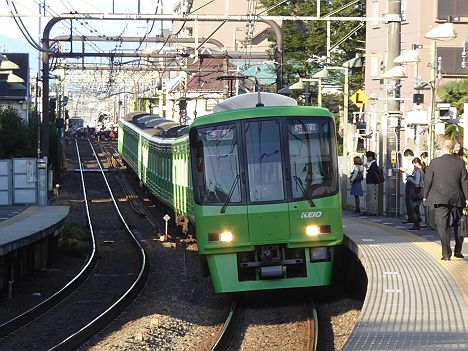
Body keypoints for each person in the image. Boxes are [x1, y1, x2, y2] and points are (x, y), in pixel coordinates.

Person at [423, 137, 468, 261]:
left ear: (442, 148)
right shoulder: (460, 163)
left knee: (442, 226)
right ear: (453, 149)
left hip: (439, 198)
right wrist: (467, 198)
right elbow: (464, 182)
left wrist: (425, 195)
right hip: (456, 198)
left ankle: (446, 253)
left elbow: (428, 180)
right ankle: (458, 250)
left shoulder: (434, 162)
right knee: (458, 224)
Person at [406, 157, 425, 230]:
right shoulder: (422, 171)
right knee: (416, 208)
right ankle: (417, 223)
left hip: (416, 191)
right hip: (420, 191)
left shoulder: (417, 172)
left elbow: (416, 182)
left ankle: (416, 224)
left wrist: (410, 178)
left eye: (414, 164)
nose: (413, 165)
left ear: (417, 163)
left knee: (414, 208)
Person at [399, 149, 415, 224]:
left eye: (406, 157)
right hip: (408, 181)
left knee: (410, 201)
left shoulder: (413, 162)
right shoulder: (408, 162)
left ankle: (412, 218)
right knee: (408, 201)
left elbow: (412, 172)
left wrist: (405, 170)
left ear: (409, 156)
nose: (405, 159)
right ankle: (410, 217)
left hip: (412, 182)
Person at [363, 151, 379, 216]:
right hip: (370, 182)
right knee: (369, 197)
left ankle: (373, 211)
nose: (367, 159)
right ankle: (369, 210)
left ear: (371, 157)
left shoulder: (374, 164)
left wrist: (367, 168)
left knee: (372, 197)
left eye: (368, 157)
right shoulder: (372, 164)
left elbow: (372, 173)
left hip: (372, 183)